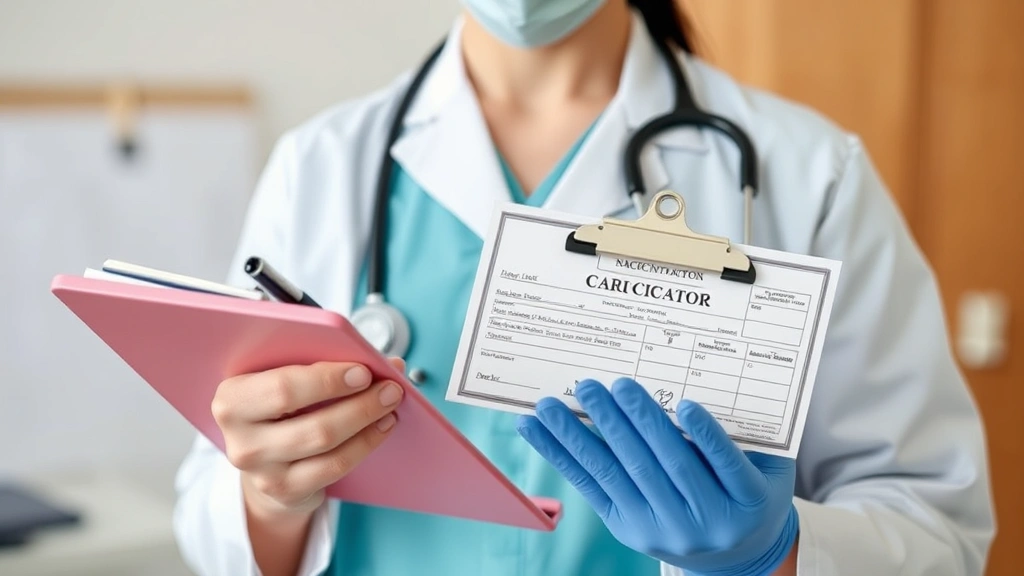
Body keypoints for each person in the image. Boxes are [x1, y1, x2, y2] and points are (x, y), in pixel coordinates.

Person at [172, 1, 996, 574]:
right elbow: (211, 519)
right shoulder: (321, 166)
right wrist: (270, 497)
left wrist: (773, 556)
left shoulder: (807, 174)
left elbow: (938, 529)